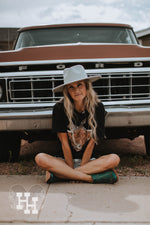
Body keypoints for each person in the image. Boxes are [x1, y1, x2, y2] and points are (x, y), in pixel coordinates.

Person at [35, 65, 120, 184]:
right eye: (71, 87)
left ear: (86, 85)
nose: (76, 90)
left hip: (90, 161)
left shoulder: (98, 108)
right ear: (67, 91)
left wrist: (75, 171)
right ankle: (90, 178)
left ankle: (62, 175)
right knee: (40, 158)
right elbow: (64, 143)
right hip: (64, 160)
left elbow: (92, 143)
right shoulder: (59, 108)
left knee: (114, 159)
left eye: (79, 85)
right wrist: (73, 170)